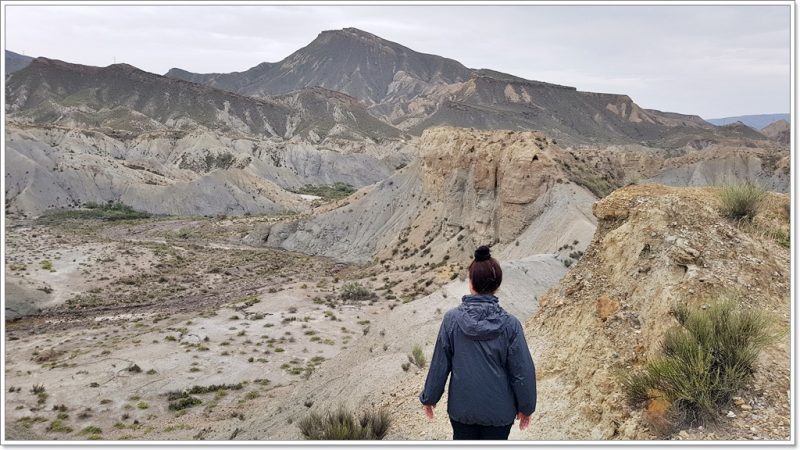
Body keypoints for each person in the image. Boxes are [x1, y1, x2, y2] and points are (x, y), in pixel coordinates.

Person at [419, 245, 537, 440]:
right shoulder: (511, 325)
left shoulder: (452, 320)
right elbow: (522, 371)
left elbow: (441, 363)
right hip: (499, 412)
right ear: (497, 284)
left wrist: (429, 398)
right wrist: (526, 407)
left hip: (462, 410)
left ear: (471, 283)